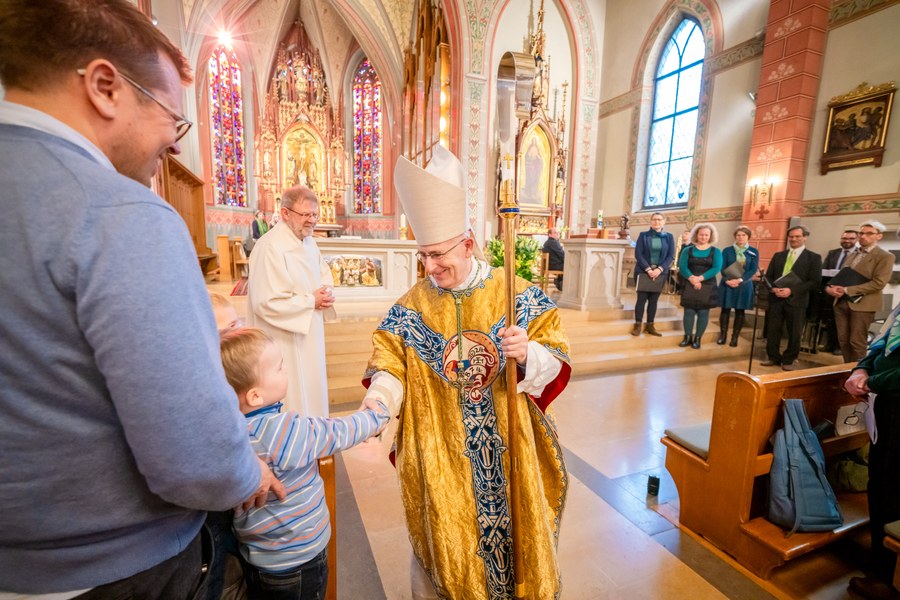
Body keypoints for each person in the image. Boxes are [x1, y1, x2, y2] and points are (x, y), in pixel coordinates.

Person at [0, 1, 283, 596]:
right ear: (105, 87)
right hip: (117, 568)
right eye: (172, 119)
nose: (175, 147)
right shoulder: (121, 213)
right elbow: (194, 454)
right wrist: (243, 472)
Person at [360, 145, 571, 599]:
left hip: (509, 449)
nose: (431, 267)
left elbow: (556, 356)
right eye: (424, 257)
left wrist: (528, 352)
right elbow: (390, 362)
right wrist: (379, 400)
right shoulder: (413, 305)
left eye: (439, 255)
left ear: (469, 244)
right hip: (442, 456)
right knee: (446, 548)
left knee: (516, 547)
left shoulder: (513, 293)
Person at [220, 328, 388, 600]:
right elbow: (336, 432)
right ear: (254, 396)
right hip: (298, 560)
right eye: (279, 368)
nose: (286, 371)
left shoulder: (229, 431)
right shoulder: (280, 431)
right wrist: (375, 418)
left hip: (259, 556)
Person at [248, 185, 335, 417]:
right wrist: (310, 302)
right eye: (305, 215)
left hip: (309, 334)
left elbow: (323, 273)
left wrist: (327, 292)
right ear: (285, 213)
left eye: (315, 215)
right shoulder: (270, 247)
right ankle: (294, 446)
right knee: (294, 398)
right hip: (283, 340)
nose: (312, 221)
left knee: (313, 392)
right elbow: (265, 302)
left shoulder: (309, 242)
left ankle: (314, 440)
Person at [844, 300, 900, 600]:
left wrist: (872, 382)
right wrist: (860, 369)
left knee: (891, 489)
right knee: (879, 483)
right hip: (886, 403)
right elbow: (883, 341)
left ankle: (886, 576)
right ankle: (881, 556)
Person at [826, 220, 894, 363]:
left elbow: (879, 283)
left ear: (878, 236)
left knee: (856, 341)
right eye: (861, 233)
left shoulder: (885, 256)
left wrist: (847, 290)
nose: (863, 236)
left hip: (863, 304)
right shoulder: (853, 254)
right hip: (841, 301)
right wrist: (832, 288)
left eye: (869, 233)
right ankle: (846, 371)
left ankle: (858, 373)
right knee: (843, 340)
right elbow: (844, 275)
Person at [761, 226, 822, 371]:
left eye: (797, 236)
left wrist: (791, 291)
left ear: (805, 237)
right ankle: (773, 356)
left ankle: (789, 359)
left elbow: (814, 281)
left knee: (794, 331)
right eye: (791, 237)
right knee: (773, 329)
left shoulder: (813, 258)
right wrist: (772, 288)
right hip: (776, 299)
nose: (793, 239)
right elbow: (768, 276)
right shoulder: (778, 256)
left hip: (797, 300)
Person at [677, 223, 722, 349]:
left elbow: (716, 268)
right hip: (689, 282)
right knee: (689, 311)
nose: (703, 237)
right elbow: (683, 267)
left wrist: (700, 278)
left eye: (706, 235)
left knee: (703, 312)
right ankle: (687, 337)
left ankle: (698, 338)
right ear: (696, 235)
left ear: (710, 236)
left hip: (707, 284)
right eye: (701, 234)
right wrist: (692, 278)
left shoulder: (716, 251)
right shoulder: (688, 250)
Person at [632, 212, 676, 336]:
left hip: (660, 273)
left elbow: (671, 255)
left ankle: (650, 325)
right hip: (643, 272)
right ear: (651, 221)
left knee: (653, 300)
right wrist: (648, 269)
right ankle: (638, 325)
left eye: (659, 219)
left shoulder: (669, 237)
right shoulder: (643, 235)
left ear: (664, 221)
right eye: (654, 219)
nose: (657, 222)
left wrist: (659, 269)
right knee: (641, 299)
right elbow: (638, 254)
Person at [717, 226, 759, 347]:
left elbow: (753, 269)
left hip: (744, 285)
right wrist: (727, 280)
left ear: (748, 237)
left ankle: (734, 337)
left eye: (743, 235)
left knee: (740, 311)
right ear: (735, 237)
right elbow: (722, 267)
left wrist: (740, 279)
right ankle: (723, 335)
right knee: (725, 309)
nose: (740, 237)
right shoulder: (727, 250)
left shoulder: (753, 252)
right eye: (738, 235)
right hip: (727, 284)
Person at [821, 230, 859, 354]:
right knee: (831, 319)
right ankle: (829, 344)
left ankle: (840, 347)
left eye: (851, 238)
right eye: (844, 238)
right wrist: (829, 287)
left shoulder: (859, 254)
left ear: (856, 239)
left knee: (845, 322)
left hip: (848, 293)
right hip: (832, 291)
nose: (847, 241)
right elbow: (824, 271)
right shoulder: (833, 253)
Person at [542, 226, 565, 291]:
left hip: (551, 264)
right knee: (570, 267)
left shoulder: (548, 242)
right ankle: (561, 284)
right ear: (550, 235)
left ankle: (559, 281)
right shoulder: (553, 242)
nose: (557, 234)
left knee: (566, 265)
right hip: (554, 265)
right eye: (555, 233)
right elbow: (562, 254)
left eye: (557, 233)